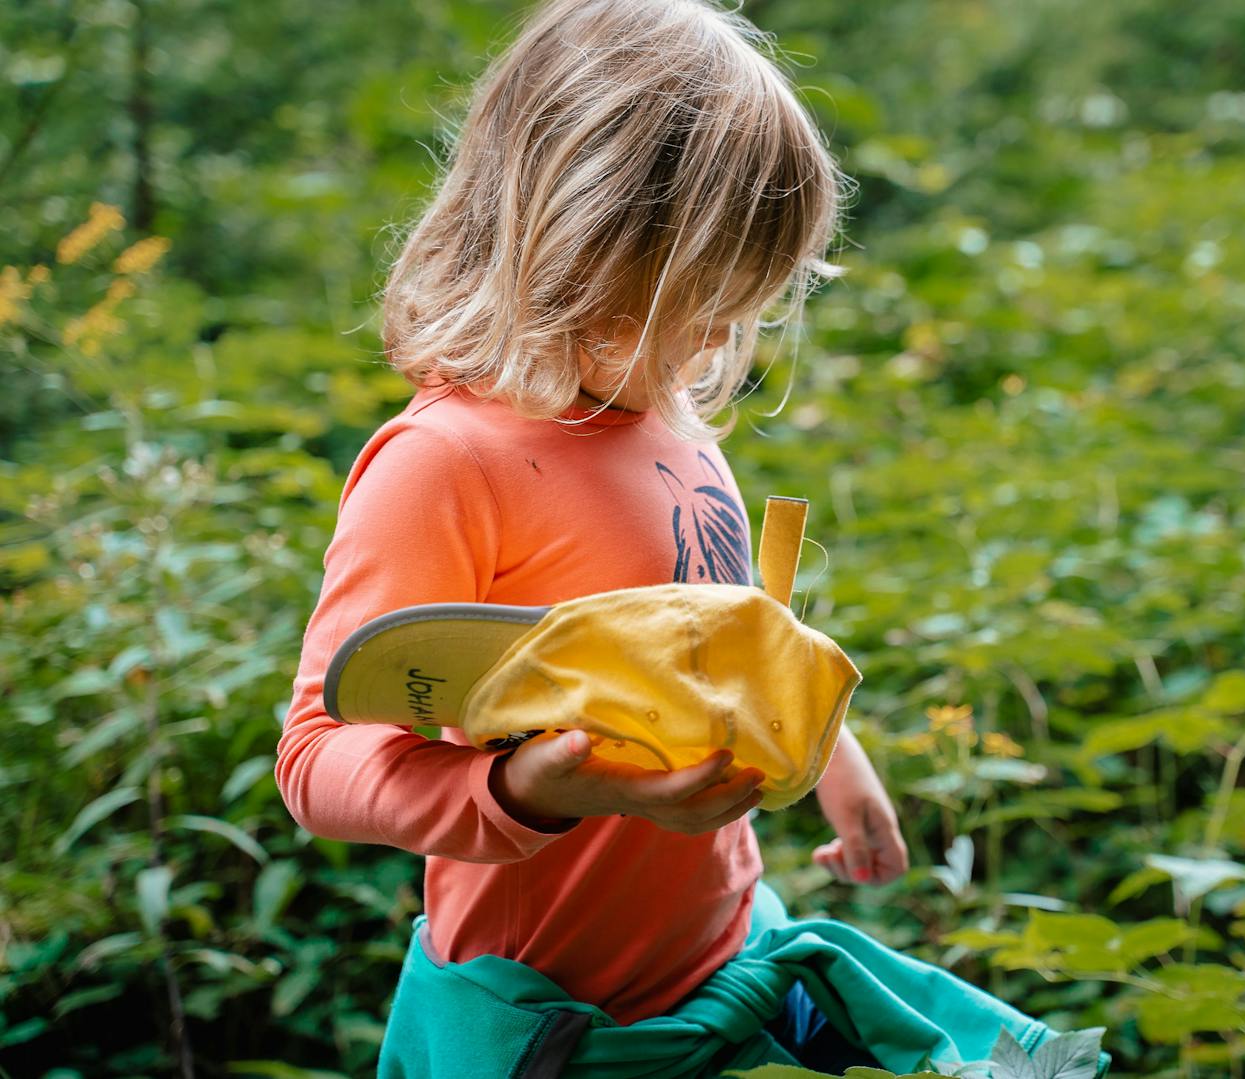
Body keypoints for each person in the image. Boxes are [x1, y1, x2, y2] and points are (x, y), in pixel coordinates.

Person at [275, 0, 910, 1069]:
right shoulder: (446, 463)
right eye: (696, 302)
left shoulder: (664, 418)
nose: (718, 342)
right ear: (572, 243)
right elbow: (315, 758)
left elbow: (727, 648)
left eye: (741, 306)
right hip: (548, 1023)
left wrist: (835, 762)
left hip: (720, 961)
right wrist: (529, 789)